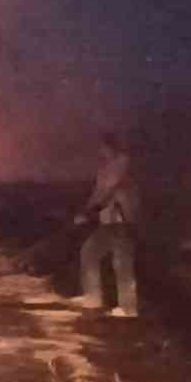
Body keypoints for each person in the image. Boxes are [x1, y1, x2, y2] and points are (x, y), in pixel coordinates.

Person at [75, 133, 140, 317]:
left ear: (110, 146)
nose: (99, 151)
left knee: (122, 264)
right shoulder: (103, 168)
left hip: (122, 220)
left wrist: (91, 212)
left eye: (101, 147)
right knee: (88, 253)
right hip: (106, 221)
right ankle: (93, 298)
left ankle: (128, 308)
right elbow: (97, 193)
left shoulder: (123, 163)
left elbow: (112, 191)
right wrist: (84, 212)